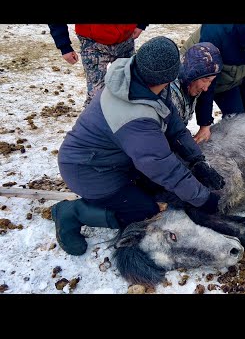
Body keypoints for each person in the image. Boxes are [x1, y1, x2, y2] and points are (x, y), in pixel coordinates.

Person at [50, 36, 225, 256]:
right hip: (89, 170)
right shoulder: (136, 117)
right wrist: (203, 198)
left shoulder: (143, 81)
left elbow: (175, 128)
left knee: (157, 190)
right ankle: (72, 212)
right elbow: (163, 166)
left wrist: (197, 161)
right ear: (169, 76)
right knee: (143, 211)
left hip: (114, 160)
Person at [48, 24, 148, 106]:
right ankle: (94, 126)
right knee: (96, 97)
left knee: (128, 88)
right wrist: (64, 46)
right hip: (92, 42)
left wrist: (140, 25)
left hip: (126, 39)